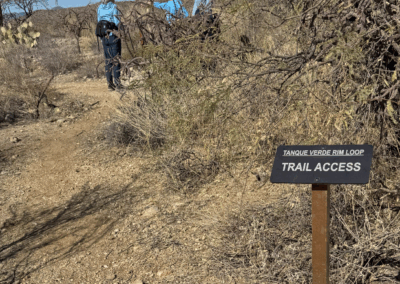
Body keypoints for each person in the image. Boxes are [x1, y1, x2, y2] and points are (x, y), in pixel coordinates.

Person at [97, 0, 122, 91]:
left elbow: (98, 21)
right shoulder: (114, 7)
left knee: (108, 61)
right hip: (113, 36)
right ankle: (118, 84)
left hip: (104, 37)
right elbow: (116, 22)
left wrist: (101, 38)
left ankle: (110, 84)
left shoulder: (99, 8)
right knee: (116, 59)